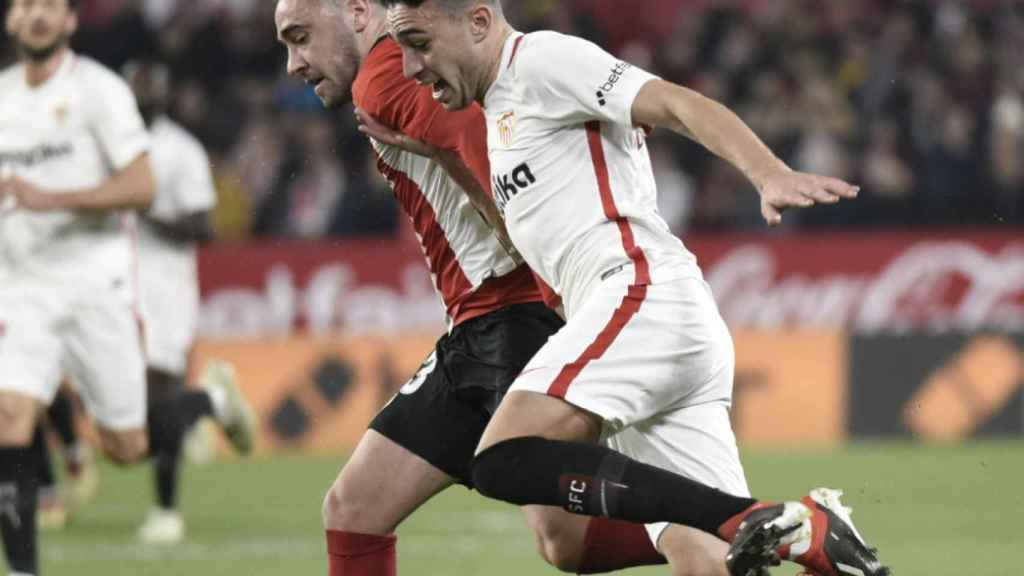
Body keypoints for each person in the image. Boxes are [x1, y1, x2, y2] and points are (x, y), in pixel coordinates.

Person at [372, 1, 891, 575]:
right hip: (654, 329)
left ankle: (779, 521)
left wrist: (768, 173)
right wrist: (440, 159)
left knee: (502, 460)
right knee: (706, 564)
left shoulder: (540, 60)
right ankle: (791, 531)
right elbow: (522, 242)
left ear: (477, 22)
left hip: (638, 294)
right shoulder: (500, 117)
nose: (412, 66)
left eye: (419, 42)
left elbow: (675, 101)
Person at [275, 2, 682, 575]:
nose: (294, 63)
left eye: (301, 37)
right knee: (356, 510)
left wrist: (538, 260)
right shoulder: (402, 69)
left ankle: (739, 526)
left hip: (515, 319)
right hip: (479, 327)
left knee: (556, 535)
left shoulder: (385, 74)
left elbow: (486, 157)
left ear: (359, 13)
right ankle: (733, 528)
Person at [0, 0, 154, 573]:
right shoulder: (3, 96)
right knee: (10, 417)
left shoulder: (100, 91)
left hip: (96, 282)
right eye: (25, 6)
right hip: (21, 287)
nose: (37, 16)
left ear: (69, 21)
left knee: (126, 447)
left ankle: (207, 404)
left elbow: (142, 186)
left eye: (50, 7)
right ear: (11, 20)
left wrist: (50, 198)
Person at [124, 58, 257, 545]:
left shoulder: (180, 151)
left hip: (163, 290)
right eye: (136, 90)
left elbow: (204, 226)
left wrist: (143, 208)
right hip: (111, 290)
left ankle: (166, 512)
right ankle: (215, 401)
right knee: (127, 422)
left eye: (151, 91)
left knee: (158, 402)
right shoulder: (105, 144)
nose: (142, 99)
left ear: (165, 96)